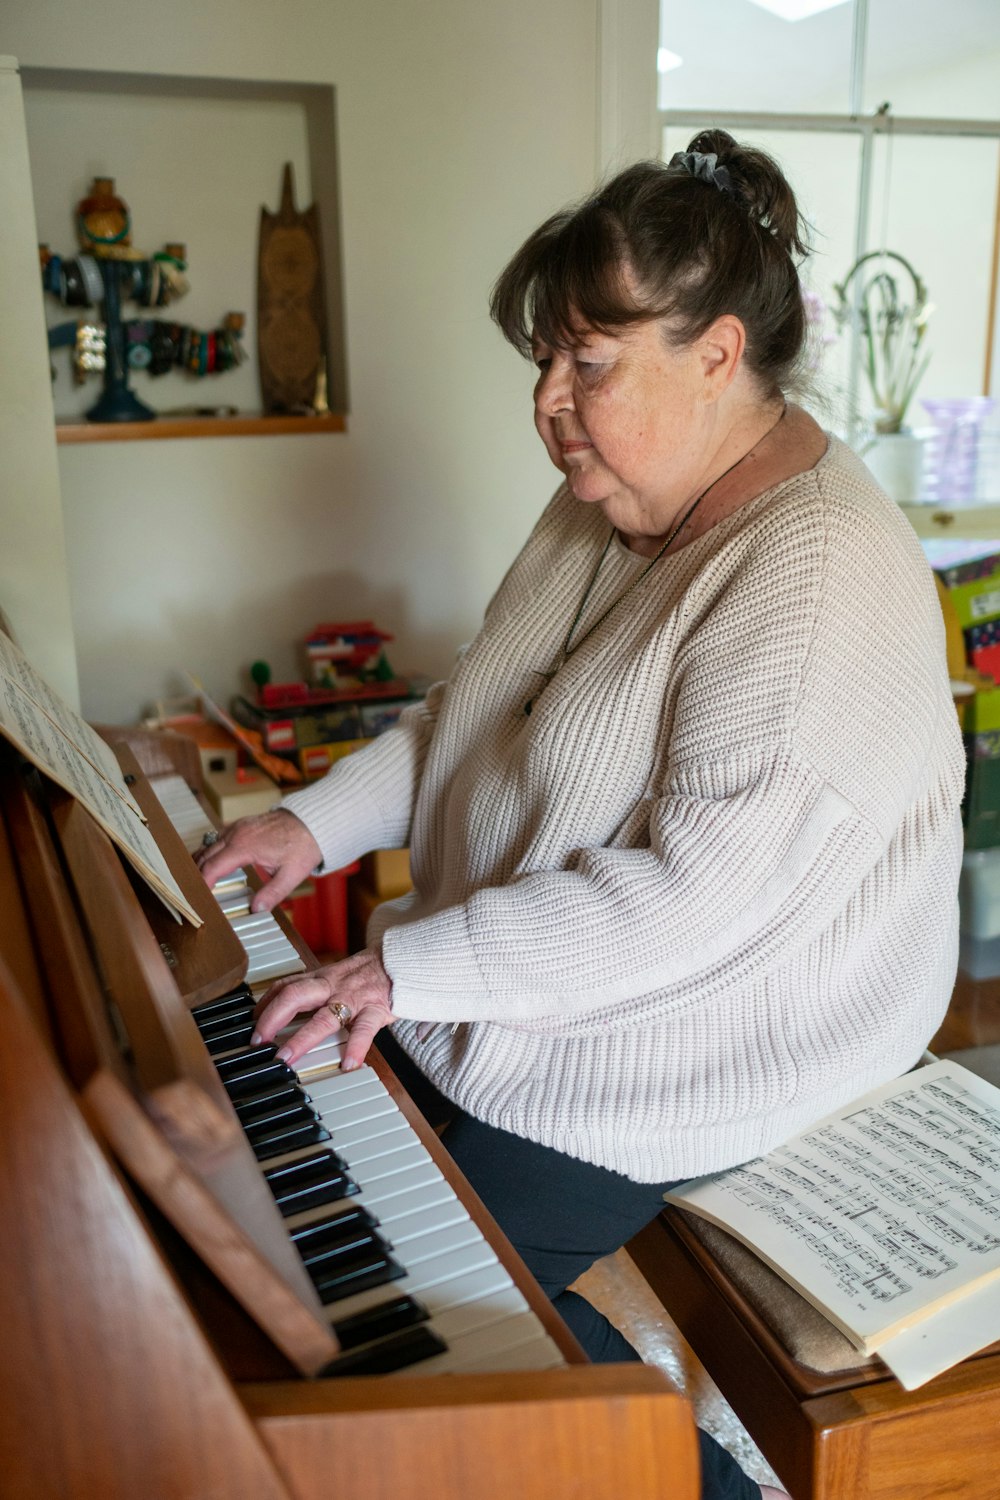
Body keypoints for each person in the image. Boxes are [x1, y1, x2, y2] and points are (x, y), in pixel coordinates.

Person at [198, 130, 964, 1500]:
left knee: (403, 1304)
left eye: (587, 363)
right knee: (310, 1205)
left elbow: (696, 901)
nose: (550, 403)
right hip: (523, 988)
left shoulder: (816, 572)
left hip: (713, 1036)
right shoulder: (605, 498)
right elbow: (475, 716)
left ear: (719, 354)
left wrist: (405, 967)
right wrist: (312, 828)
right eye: (543, 361)